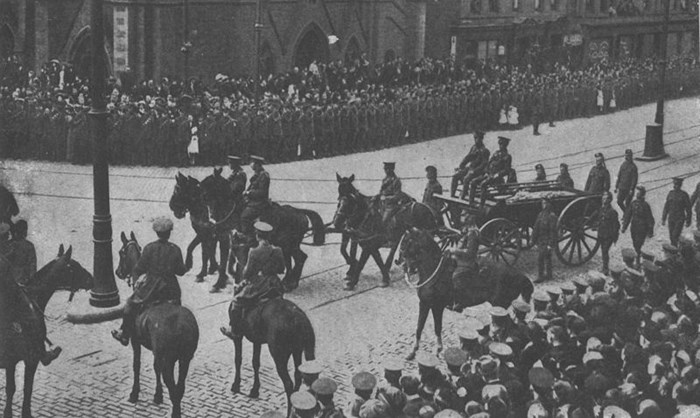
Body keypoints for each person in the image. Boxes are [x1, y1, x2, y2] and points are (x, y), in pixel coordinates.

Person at [112, 216, 188, 346]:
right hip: (171, 289)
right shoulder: (175, 249)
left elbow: (138, 268)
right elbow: (180, 271)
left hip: (152, 289)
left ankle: (124, 334)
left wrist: (137, 283)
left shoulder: (149, 248)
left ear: (157, 233)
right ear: (169, 233)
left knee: (130, 304)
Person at [0, 222, 61, 366]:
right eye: (4, 236)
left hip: (11, 288)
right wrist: (22, 284)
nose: (7, 238)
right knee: (32, 316)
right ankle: (42, 353)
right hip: (13, 290)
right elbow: (30, 269)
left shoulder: (8, 249)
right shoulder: (23, 247)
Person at [221, 221, 285, 337]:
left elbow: (246, 274)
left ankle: (234, 331)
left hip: (260, 285)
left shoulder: (254, 252)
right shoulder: (278, 250)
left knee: (236, 301)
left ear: (257, 235)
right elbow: (281, 269)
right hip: (274, 284)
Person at [445, 214, 480, 311]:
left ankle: (459, 302)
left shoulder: (473, 234)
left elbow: (470, 252)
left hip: (467, 262)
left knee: (456, 277)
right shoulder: (468, 231)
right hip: (460, 258)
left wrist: (454, 250)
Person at [468, 136, 512, 207]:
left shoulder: (507, 156)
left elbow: (506, 170)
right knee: (474, 181)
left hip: (497, 178)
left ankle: (481, 205)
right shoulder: (496, 153)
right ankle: (471, 202)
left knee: (483, 184)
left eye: (502, 145)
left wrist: (497, 175)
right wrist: (486, 171)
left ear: (506, 145)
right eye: (500, 144)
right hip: (488, 175)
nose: (501, 146)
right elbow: (488, 163)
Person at [240, 155, 270, 245]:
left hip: (259, 203)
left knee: (244, 217)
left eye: (252, 162)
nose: (250, 164)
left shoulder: (263, 175)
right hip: (253, 202)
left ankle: (250, 240)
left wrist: (249, 193)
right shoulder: (257, 174)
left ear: (257, 164)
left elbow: (262, 192)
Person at [621, 186, 654, 267]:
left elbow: (650, 219)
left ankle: (638, 260)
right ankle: (638, 256)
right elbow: (628, 216)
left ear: (642, 194)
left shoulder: (645, 205)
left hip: (642, 228)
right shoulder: (633, 203)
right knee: (635, 243)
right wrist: (624, 227)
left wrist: (650, 231)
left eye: (638, 192)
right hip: (634, 227)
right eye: (637, 192)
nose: (637, 194)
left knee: (638, 244)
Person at [450, 131, 490, 199]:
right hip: (470, 169)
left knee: (466, 179)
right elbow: (468, 157)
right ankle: (452, 195)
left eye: (477, 138)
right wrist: (461, 166)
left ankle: (463, 196)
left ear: (481, 139)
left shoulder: (485, 151)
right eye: (475, 138)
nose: (476, 140)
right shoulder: (474, 147)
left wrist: (474, 171)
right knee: (455, 176)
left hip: (478, 171)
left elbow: (484, 164)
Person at [532, 198, 558, 283]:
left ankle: (541, 276)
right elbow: (536, 227)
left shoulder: (552, 216)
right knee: (547, 257)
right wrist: (534, 240)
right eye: (542, 203)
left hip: (546, 241)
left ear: (548, 204)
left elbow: (552, 231)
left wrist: (550, 244)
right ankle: (549, 275)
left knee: (541, 258)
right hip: (541, 240)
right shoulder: (541, 214)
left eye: (545, 203)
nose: (543, 205)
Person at [662, 177, 692, 247]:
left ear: (680, 185)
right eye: (675, 184)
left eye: (677, 185)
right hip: (671, 218)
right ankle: (675, 250)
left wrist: (688, 220)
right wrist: (664, 218)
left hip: (680, 218)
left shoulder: (684, 195)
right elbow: (666, 207)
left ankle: (675, 250)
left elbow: (688, 208)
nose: (675, 186)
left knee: (675, 235)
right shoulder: (670, 193)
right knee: (671, 237)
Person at [377, 162, 404, 238]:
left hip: (392, 206)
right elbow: (381, 192)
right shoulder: (385, 180)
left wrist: (386, 198)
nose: (386, 170)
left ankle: (387, 238)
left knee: (384, 220)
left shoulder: (396, 181)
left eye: (387, 169)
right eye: (385, 169)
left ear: (392, 169)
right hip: (382, 204)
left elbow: (397, 196)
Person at [598, 191, 620, 275]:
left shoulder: (612, 212)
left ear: (610, 200)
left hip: (608, 235)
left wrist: (614, 238)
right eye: (603, 198)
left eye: (606, 198)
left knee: (605, 251)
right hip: (601, 234)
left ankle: (605, 269)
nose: (604, 200)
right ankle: (604, 267)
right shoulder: (602, 209)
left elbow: (616, 226)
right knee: (603, 251)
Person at [8, 219, 36, 285]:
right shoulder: (29, 246)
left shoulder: (9, 244)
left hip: (8, 282)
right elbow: (32, 267)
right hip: (23, 282)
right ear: (25, 231)